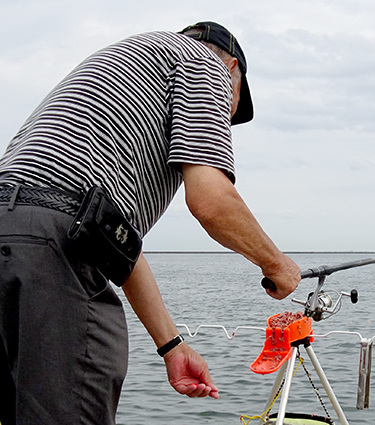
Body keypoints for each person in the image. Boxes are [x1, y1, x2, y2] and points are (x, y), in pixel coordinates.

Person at [0, 21, 301, 425]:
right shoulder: (205, 64)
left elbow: (112, 239)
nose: (226, 120)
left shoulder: (125, 66)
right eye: (235, 104)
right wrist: (277, 265)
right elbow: (211, 202)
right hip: (56, 249)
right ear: (232, 69)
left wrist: (172, 346)